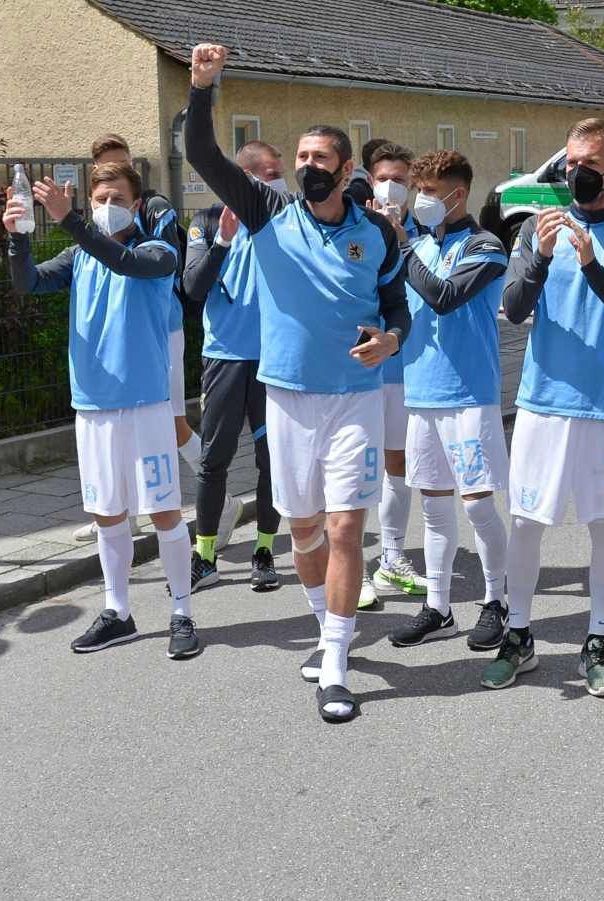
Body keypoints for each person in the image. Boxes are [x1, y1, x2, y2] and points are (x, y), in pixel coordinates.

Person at [186, 43, 411, 722]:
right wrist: (204, 87)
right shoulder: (264, 213)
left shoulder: (377, 233)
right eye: (302, 159)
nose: (309, 168)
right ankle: (324, 626)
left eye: (320, 160)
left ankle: (336, 665)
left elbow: (397, 306)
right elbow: (202, 153)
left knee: (346, 530)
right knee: (305, 532)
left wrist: (394, 337)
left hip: (353, 400)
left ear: (346, 170)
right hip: (285, 399)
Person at [482, 117, 604, 698]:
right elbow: (511, 308)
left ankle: (598, 640)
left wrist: (591, 263)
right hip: (543, 403)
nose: (575, 173)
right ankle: (519, 635)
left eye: (588, 164)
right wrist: (541, 256)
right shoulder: (538, 228)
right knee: (528, 523)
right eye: (569, 162)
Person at [5, 162, 202, 660]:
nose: (107, 206)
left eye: (117, 197)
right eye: (100, 199)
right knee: (108, 514)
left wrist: (72, 220)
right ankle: (118, 612)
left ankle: (182, 611)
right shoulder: (79, 255)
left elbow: (125, 263)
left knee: (162, 512)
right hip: (92, 408)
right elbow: (27, 283)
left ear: (137, 205)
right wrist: (19, 237)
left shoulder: (158, 251)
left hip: (146, 406)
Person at [373, 149, 514, 652]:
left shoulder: (486, 246)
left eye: (430, 192)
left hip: (468, 395)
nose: (420, 200)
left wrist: (404, 244)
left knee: (477, 506)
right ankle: (438, 606)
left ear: (458, 194)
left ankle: (497, 601)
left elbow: (444, 297)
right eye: (418, 191)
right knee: (433, 509)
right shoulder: (416, 246)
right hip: (422, 392)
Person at [70, 135, 198, 544]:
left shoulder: (155, 210)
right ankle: (115, 509)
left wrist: (73, 223)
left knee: (172, 421)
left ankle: (218, 494)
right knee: (132, 426)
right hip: (118, 332)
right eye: (101, 178)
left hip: (161, 327)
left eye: (120, 167)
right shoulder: (84, 245)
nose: (110, 203)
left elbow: (146, 261)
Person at [180, 139, 285, 592]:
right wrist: (223, 240)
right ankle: (204, 556)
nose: (280, 180)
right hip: (224, 358)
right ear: (248, 178)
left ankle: (265, 551)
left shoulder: (283, 219)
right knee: (213, 460)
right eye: (272, 172)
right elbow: (194, 286)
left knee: (272, 461)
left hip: (273, 360)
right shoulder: (205, 221)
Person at [363, 142, 428, 609]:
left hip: (405, 369)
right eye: (384, 176)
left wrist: (403, 241)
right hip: (359, 370)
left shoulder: (424, 232)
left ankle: (391, 559)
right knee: (351, 471)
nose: (392, 186)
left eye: (402, 179)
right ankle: (349, 566)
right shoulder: (354, 228)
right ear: (368, 180)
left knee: (397, 466)